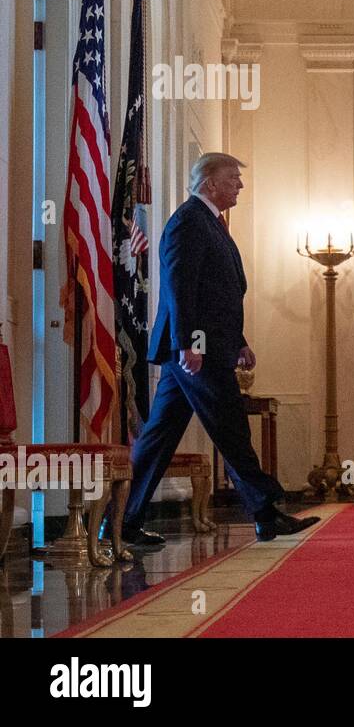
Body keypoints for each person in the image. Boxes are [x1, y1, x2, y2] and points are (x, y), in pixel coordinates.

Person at [124, 153, 318, 544]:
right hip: (197, 353)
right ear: (210, 183)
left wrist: (239, 340)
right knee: (230, 427)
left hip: (205, 347)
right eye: (233, 178)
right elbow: (180, 289)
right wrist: (187, 345)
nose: (240, 186)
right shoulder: (188, 221)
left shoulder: (210, 223)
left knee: (158, 439)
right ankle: (265, 510)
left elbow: (219, 293)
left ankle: (123, 524)